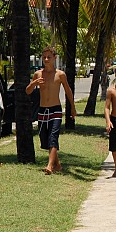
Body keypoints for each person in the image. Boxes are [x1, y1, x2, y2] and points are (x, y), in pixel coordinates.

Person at [26, 46, 76, 175]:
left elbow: (68, 91)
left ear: (55, 58)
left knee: (53, 137)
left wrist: (73, 107)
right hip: (43, 110)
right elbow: (28, 91)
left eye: (49, 57)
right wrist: (34, 83)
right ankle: (57, 164)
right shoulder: (38, 74)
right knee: (45, 138)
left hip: (56, 110)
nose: (46, 59)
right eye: (44, 57)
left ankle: (49, 166)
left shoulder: (60, 74)